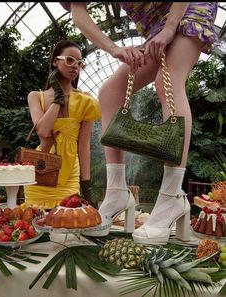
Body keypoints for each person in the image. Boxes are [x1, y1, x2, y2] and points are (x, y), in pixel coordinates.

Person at [61, 2, 219, 243]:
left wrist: (170, 28)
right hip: (155, 27)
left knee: (168, 84)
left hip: (187, 9)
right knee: (110, 94)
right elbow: (78, 12)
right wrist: (114, 48)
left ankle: (171, 195)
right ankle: (116, 193)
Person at [23, 39, 101, 209]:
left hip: (70, 172)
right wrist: (58, 97)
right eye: (70, 60)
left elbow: (84, 145)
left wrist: (86, 184)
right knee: (36, 220)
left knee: (68, 222)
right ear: (55, 62)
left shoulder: (86, 100)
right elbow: (43, 131)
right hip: (41, 168)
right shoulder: (36, 96)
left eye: (79, 63)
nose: (75, 66)